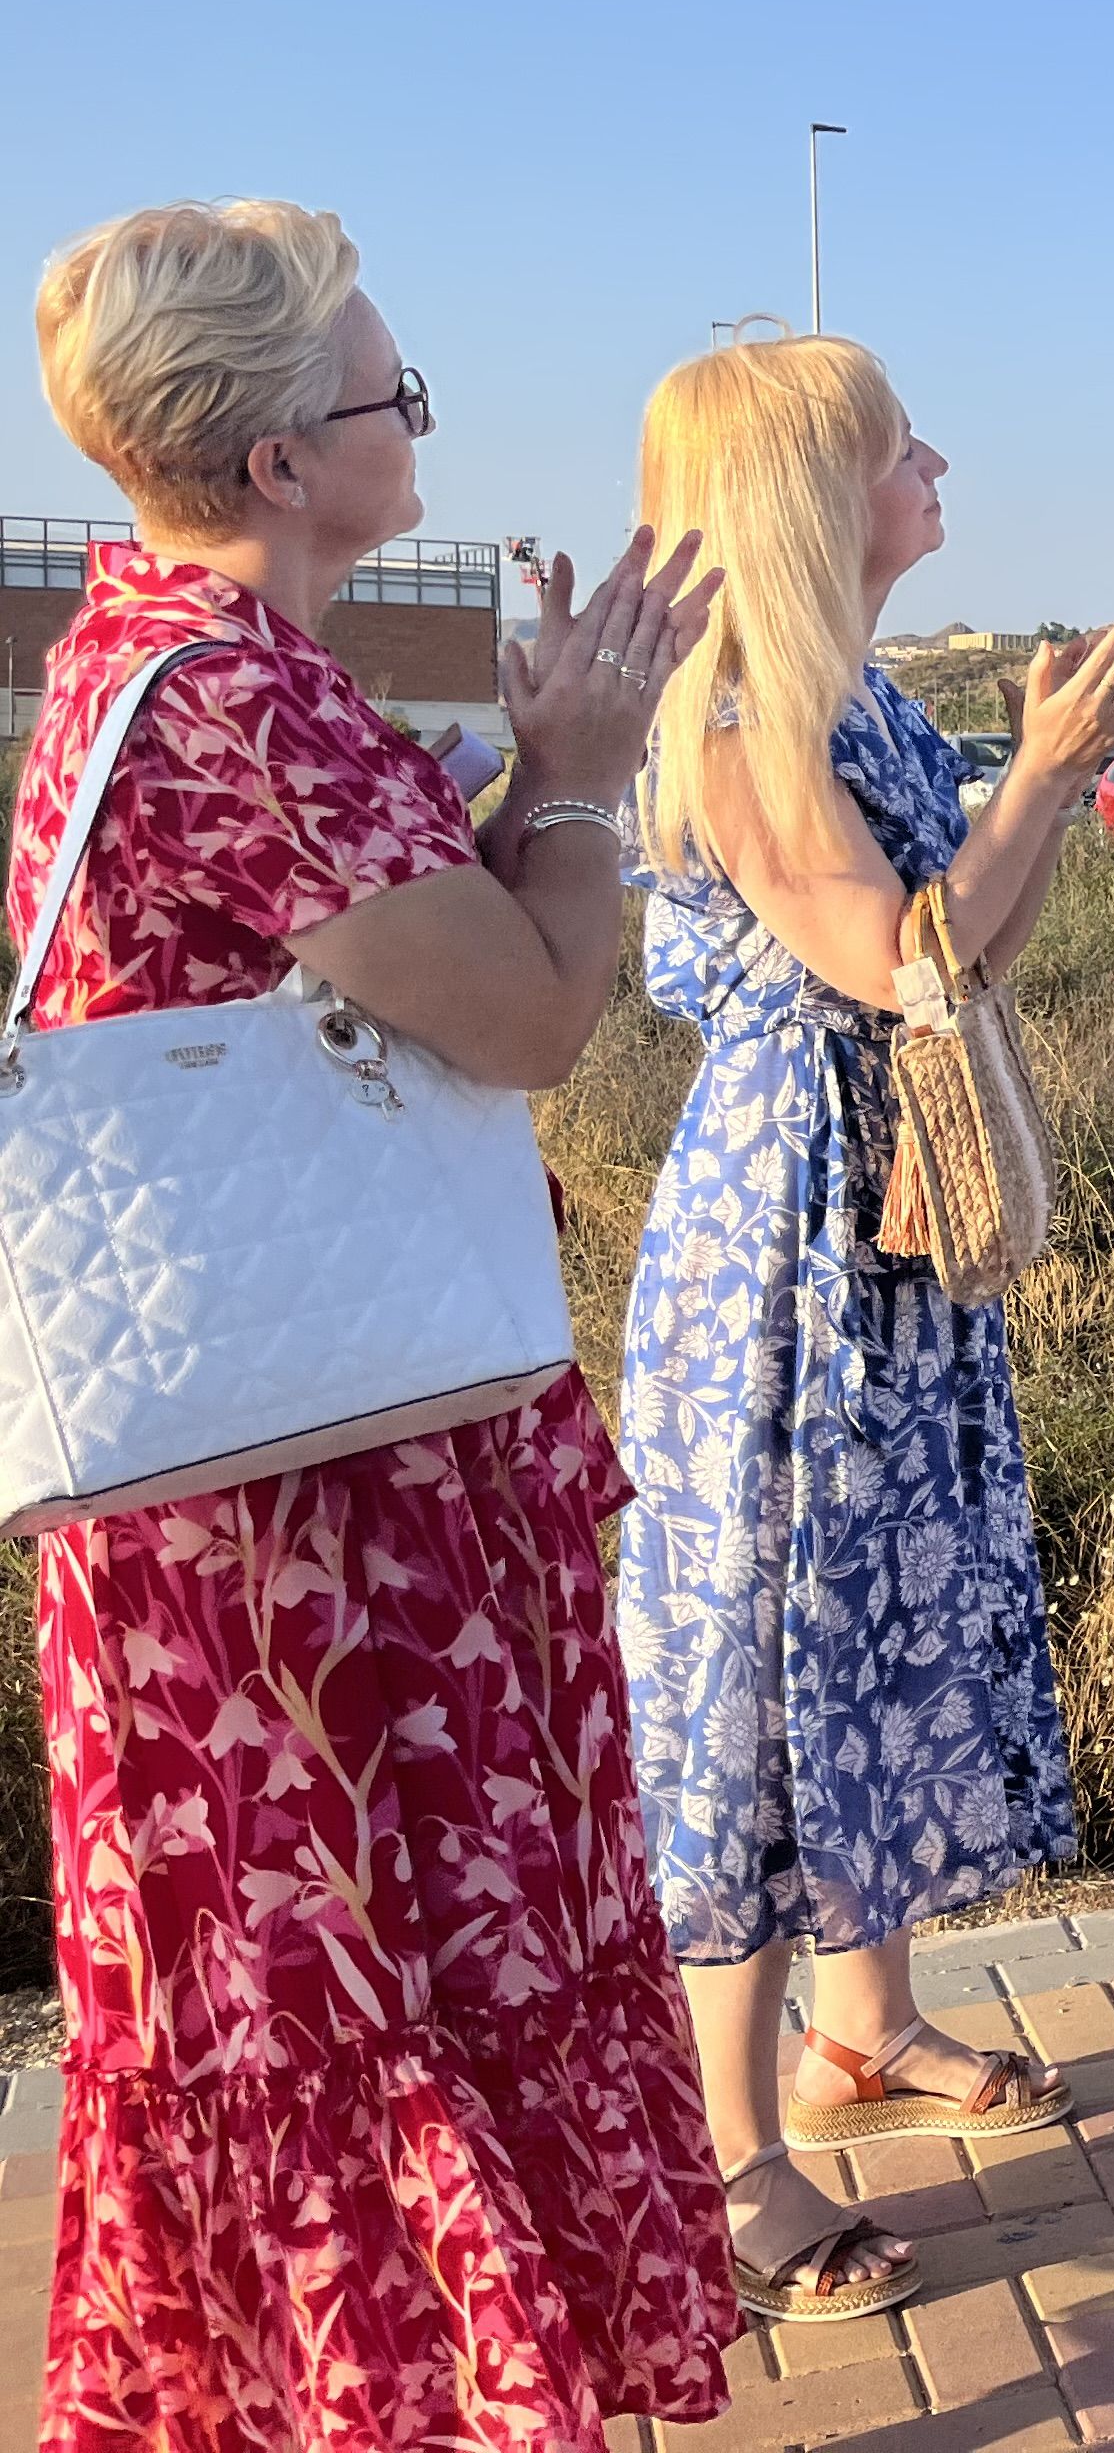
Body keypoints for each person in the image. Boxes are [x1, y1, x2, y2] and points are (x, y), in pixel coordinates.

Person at [21, 201, 739, 2440]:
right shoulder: (242, 698)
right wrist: (593, 780)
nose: (417, 425)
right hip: (308, 1528)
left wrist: (532, 784)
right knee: (370, 1979)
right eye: (388, 399)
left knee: (299, 2005)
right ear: (272, 464)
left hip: (251, 1463)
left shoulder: (143, 655)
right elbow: (530, 1017)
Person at [620, 334, 1114, 2317]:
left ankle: (865, 2029)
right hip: (793, 1236)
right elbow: (885, 954)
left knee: (872, 1616)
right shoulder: (746, 712)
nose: (934, 464)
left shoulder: (859, 697)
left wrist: (1033, 784)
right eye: (892, 448)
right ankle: (733, 2149)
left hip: (887, 1213)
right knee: (770, 1647)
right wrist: (1044, 767)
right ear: (804, 503)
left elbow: (974, 951)